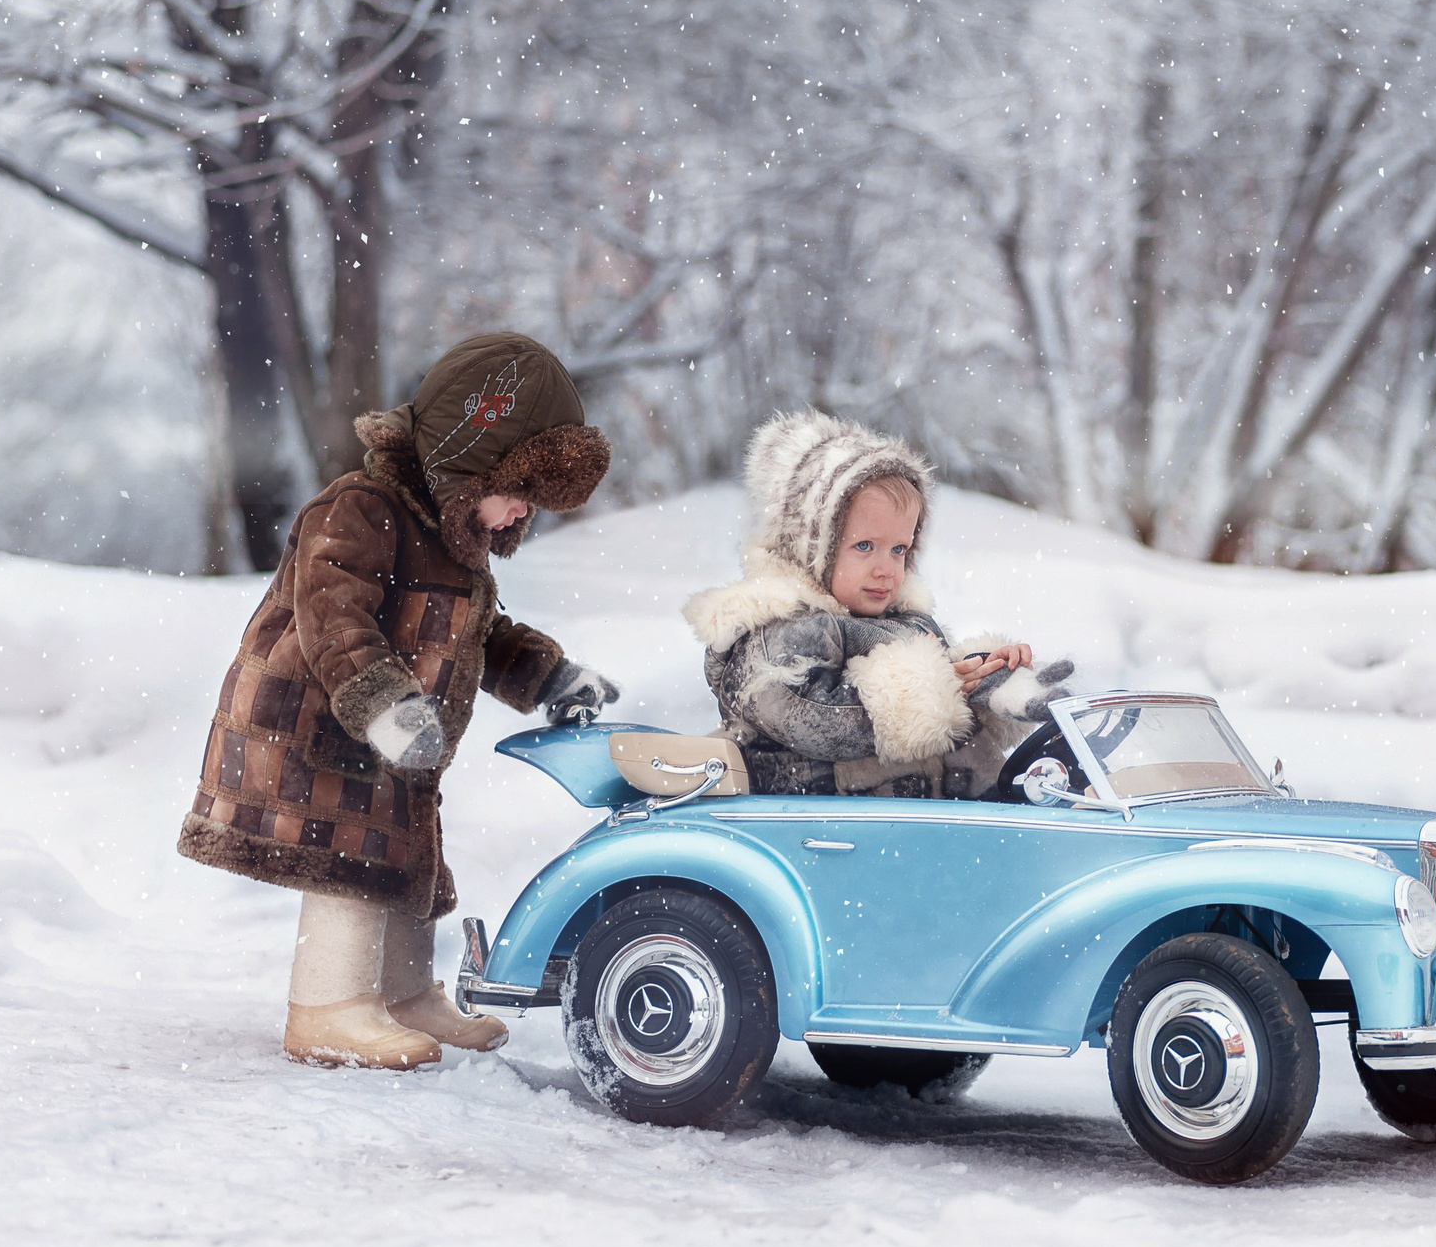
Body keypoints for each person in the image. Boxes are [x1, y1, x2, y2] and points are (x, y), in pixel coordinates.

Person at [177, 332, 621, 1069]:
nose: (520, 516)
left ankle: (402, 992)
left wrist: (547, 677)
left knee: (402, 855)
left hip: (399, 738)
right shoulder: (360, 509)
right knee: (347, 858)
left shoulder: (448, 537)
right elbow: (334, 613)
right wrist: (384, 705)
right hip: (319, 723)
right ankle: (328, 1005)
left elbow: (484, 635)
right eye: (517, 494)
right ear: (467, 458)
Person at [683, 410, 1072, 797]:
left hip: (934, 829)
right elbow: (808, 718)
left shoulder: (907, 624)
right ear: (811, 548)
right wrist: (936, 691)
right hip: (824, 832)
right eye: (865, 546)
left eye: (899, 549)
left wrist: (985, 677)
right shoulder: (778, 635)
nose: (887, 569)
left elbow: (939, 690)